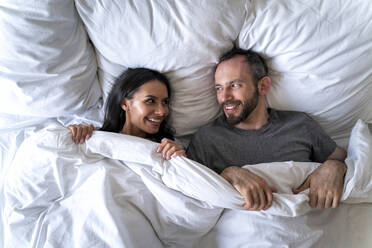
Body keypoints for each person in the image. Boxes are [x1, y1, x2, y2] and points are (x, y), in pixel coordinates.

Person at [186, 48, 347, 211]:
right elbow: (189, 195)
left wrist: (334, 167)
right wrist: (229, 174)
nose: (224, 97)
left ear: (262, 86)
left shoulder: (299, 125)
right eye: (219, 88)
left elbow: (351, 161)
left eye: (234, 85)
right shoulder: (207, 138)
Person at [69, 68, 186, 160]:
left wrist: (181, 161)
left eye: (165, 102)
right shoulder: (95, 138)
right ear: (125, 103)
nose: (162, 111)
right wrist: (72, 136)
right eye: (150, 101)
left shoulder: (168, 148)